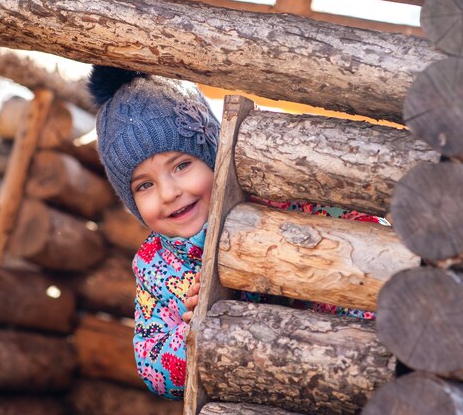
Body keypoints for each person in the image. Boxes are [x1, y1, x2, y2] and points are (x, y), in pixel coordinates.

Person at [88, 66, 378, 400]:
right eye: (145, 185)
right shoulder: (156, 266)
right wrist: (195, 327)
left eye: (182, 166)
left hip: (347, 367)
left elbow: (360, 241)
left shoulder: (277, 206)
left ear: (214, 159)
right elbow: (155, 371)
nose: (168, 193)